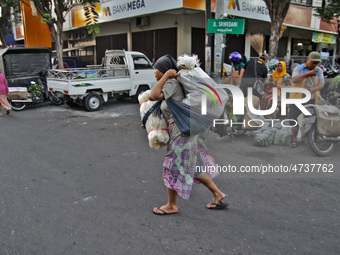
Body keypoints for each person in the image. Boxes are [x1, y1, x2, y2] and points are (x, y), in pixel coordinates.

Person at [148, 55, 227, 215]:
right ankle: (218, 194)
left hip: (180, 131)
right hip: (184, 131)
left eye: (156, 69)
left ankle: (172, 205)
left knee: (171, 165)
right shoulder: (171, 83)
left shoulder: (170, 82)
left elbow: (153, 95)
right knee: (194, 165)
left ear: (163, 70)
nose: (154, 72)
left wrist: (166, 76)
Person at [289, 51, 325, 148]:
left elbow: (321, 84)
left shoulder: (319, 71)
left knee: (309, 120)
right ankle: (294, 139)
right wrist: (307, 74)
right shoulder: (299, 68)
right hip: (296, 99)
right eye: (313, 62)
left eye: (316, 63)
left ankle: (306, 138)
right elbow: (295, 80)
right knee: (294, 119)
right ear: (307, 59)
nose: (315, 65)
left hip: (311, 99)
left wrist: (312, 89)